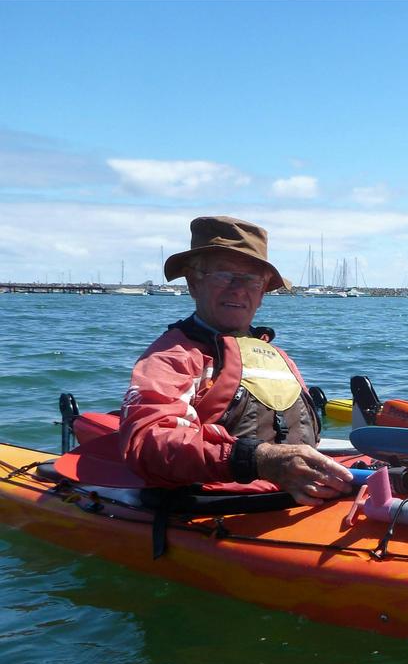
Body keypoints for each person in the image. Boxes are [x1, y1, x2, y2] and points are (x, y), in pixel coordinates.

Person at [119, 216, 353, 505]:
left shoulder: (276, 357)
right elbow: (145, 443)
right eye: (224, 275)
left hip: (301, 500)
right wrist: (255, 459)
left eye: (252, 279)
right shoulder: (173, 356)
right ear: (193, 283)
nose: (238, 289)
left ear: (263, 292)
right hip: (219, 510)